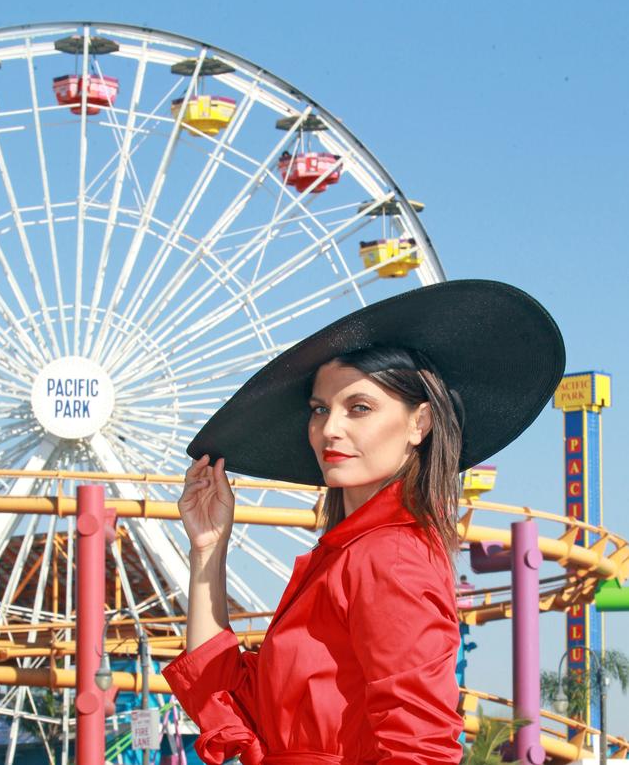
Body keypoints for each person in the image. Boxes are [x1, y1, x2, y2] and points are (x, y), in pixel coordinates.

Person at [163, 280, 565, 765]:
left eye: (359, 408)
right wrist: (208, 550)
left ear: (420, 423)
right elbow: (230, 698)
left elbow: (419, 750)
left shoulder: (389, 558)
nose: (330, 428)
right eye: (319, 409)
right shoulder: (345, 559)